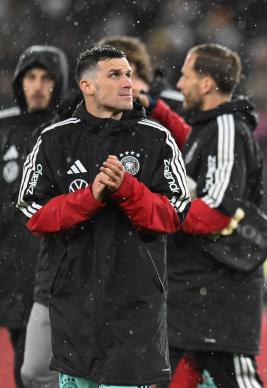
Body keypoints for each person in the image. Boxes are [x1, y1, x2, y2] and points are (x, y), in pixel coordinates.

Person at [16, 45, 190, 387]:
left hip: (135, 308)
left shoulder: (157, 139)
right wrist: (89, 198)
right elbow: (34, 214)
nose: (128, 82)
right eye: (116, 74)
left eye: (128, 74)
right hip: (74, 307)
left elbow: (173, 215)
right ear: (88, 86)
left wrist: (128, 190)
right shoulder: (54, 140)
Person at [166, 43, 264, 388]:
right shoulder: (207, 128)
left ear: (206, 83)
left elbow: (217, 212)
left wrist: (155, 209)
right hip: (192, 288)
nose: (179, 84)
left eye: (186, 75)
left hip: (218, 291)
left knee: (238, 380)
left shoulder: (225, 127)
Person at [0, 45, 68, 388]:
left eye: (47, 78)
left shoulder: (72, 131)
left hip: (58, 266)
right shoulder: (4, 129)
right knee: (24, 359)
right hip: (11, 266)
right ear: (19, 82)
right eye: (31, 77)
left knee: (48, 365)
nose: (38, 85)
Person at [97, 36, 191, 149]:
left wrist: (157, 110)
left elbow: (195, 148)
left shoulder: (177, 102)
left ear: (131, 65)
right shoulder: (100, 105)